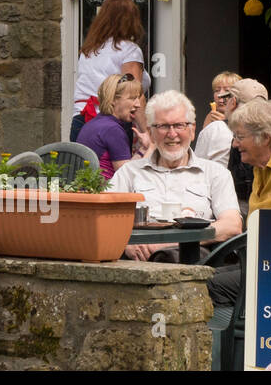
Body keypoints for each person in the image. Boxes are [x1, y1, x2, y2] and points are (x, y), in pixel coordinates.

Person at [108, 90, 242, 261]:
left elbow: (232, 225)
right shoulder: (129, 172)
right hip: (135, 261)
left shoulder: (215, 173)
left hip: (191, 260)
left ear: (192, 130)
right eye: (163, 126)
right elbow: (103, 219)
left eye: (179, 125)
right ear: (151, 132)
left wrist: (167, 244)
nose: (172, 134)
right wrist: (125, 242)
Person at [70, 0, 150, 142]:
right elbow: (134, 94)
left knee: (82, 164)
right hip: (112, 122)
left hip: (81, 119)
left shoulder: (88, 50)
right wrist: (147, 133)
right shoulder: (129, 50)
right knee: (116, 165)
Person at [77, 73, 144, 179]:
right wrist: (147, 149)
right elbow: (126, 177)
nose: (138, 104)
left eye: (138, 98)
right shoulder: (113, 130)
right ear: (113, 100)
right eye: (132, 98)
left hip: (85, 192)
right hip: (103, 193)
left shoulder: (92, 124)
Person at [193, 71, 240, 166]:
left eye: (227, 90)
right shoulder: (211, 118)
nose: (220, 95)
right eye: (217, 90)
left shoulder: (245, 118)